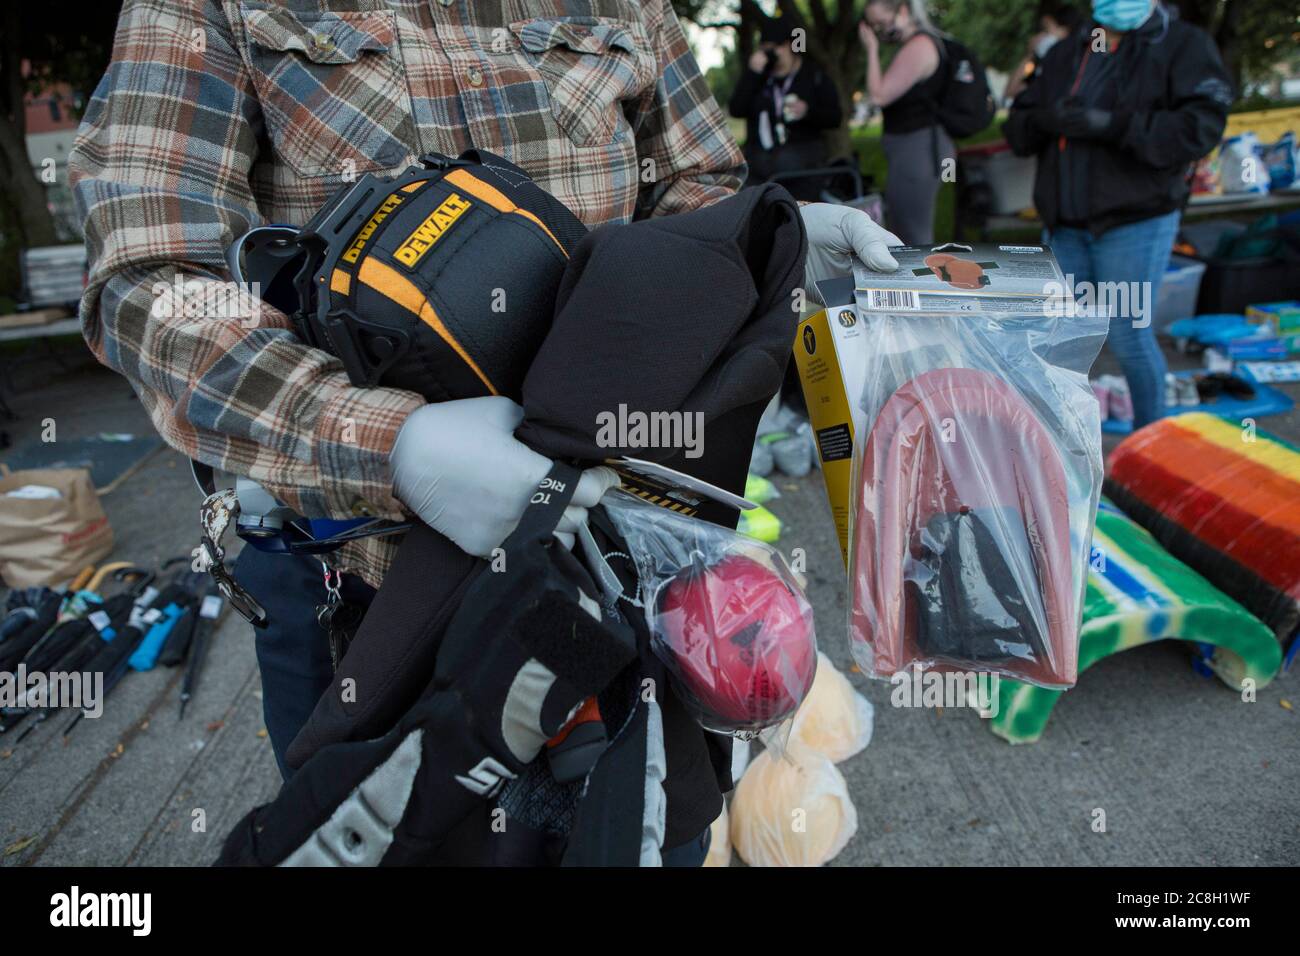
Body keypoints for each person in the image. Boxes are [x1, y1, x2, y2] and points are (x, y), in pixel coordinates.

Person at [69, 0, 900, 865]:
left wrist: (767, 236)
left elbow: (692, 190)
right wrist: (390, 445)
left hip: (622, 563)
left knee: (647, 834)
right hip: (374, 599)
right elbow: (152, 279)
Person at [1005, 0, 1231, 428]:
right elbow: (1017, 127)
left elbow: (1199, 128)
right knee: (1053, 342)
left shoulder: (1183, 44)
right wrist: (1044, 120)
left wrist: (1113, 125)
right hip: (1066, 227)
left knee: (1128, 335)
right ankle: (1061, 452)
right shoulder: (1067, 51)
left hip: (1135, 222)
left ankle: (1152, 444)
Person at [858, 0, 953, 245]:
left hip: (918, 150)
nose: (879, 31)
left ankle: (925, 282)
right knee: (905, 230)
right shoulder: (916, 45)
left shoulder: (919, 47)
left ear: (902, 11)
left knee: (912, 237)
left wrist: (871, 49)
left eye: (881, 23)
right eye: (874, 26)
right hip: (915, 150)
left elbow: (879, 94)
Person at [728, 13, 842, 200]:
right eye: (765, 50)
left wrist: (807, 112)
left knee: (786, 161)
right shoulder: (759, 78)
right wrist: (752, 74)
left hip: (802, 167)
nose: (771, 55)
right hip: (760, 167)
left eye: (776, 48)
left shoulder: (813, 76)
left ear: (789, 45)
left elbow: (835, 117)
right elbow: (736, 109)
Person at [1004, 3, 1081, 104]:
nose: (1041, 36)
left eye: (1046, 31)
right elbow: (1011, 91)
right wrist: (1030, 55)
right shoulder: (1039, 68)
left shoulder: (1073, 68)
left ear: (1065, 31)